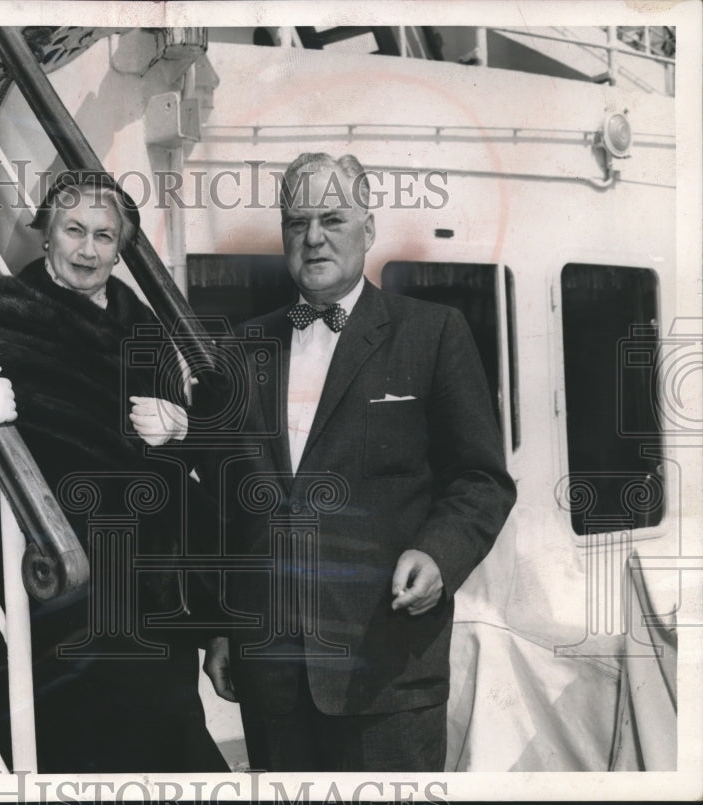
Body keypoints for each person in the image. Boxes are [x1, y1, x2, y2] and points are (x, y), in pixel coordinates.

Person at [200, 153, 516, 772]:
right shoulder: (242, 349)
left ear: (368, 230)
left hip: (386, 669)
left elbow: (481, 479)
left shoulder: (434, 333)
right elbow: (224, 501)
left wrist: (438, 554)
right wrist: (218, 626)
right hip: (272, 674)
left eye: (332, 218)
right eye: (296, 223)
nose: (313, 237)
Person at [0, 172, 227, 774]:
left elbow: (199, 478)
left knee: (166, 742)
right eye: (74, 231)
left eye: (105, 237)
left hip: (153, 589)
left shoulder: (150, 335)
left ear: (121, 246)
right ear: (45, 237)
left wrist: (184, 430)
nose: (88, 250)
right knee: (77, 751)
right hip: (56, 584)